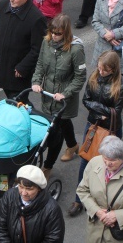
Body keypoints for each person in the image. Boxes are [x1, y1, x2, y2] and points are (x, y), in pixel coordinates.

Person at [68, 51, 123, 217]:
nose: (100, 72)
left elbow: (116, 110)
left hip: (111, 130)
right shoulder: (94, 77)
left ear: (113, 69)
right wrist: (101, 112)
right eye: (100, 68)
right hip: (93, 125)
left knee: (108, 166)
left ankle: (102, 200)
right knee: (85, 163)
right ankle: (79, 200)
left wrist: (100, 110)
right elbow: (86, 100)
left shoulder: (121, 84)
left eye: (105, 70)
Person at [32, 14, 86, 180]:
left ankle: (48, 166)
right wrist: (36, 81)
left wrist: (65, 94)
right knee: (62, 123)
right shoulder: (46, 43)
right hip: (48, 95)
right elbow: (40, 64)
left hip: (63, 99)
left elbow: (80, 77)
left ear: (66, 33)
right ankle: (73, 145)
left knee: (55, 132)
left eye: (58, 34)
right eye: (52, 32)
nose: (54, 36)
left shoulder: (75, 50)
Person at [0, 0, 48, 98]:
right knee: (11, 99)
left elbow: (38, 49)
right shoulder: (4, 5)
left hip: (19, 72)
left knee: (19, 103)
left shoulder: (36, 18)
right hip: (4, 66)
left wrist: (23, 67)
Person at [0, 165, 65, 243]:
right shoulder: (9, 196)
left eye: (29, 189)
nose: (24, 193)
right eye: (21, 187)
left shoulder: (52, 209)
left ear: (39, 188)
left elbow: (53, 241)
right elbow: (0, 227)